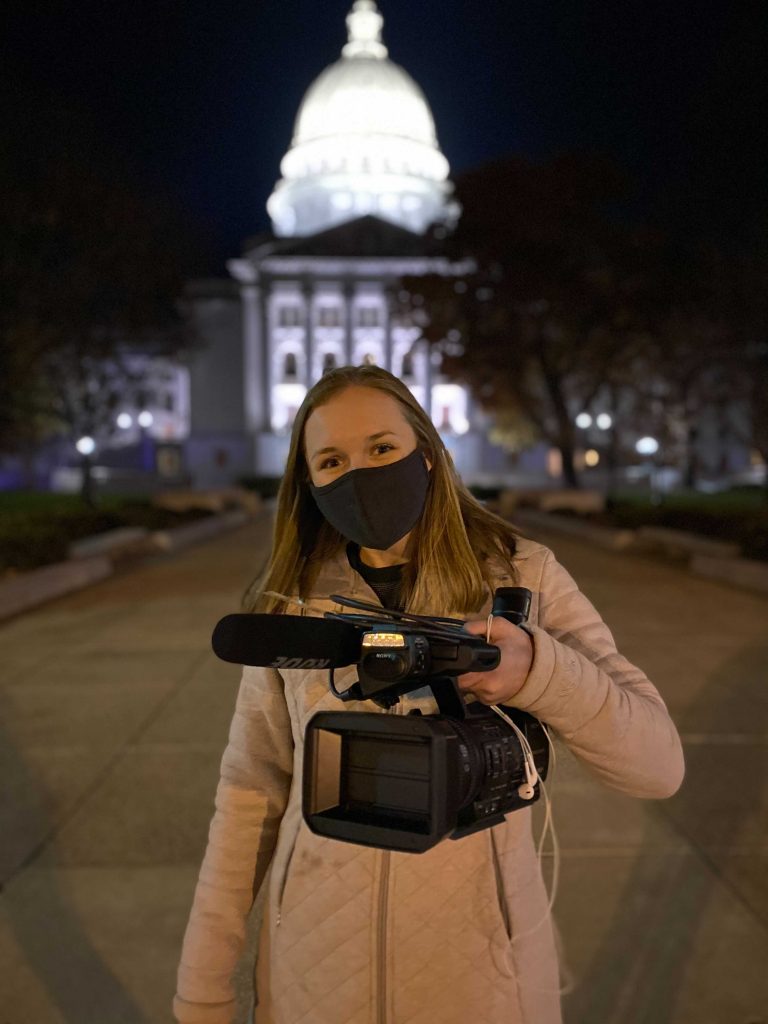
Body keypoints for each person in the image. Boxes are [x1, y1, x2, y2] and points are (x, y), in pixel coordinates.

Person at [174, 365, 685, 1024]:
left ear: (429, 454)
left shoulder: (522, 574)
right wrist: (202, 994)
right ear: (308, 486)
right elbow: (250, 799)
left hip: (483, 981)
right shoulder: (293, 601)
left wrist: (540, 671)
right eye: (332, 460)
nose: (359, 475)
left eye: (382, 449)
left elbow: (658, 766)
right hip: (313, 976)